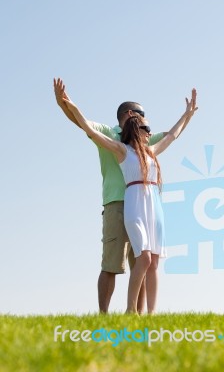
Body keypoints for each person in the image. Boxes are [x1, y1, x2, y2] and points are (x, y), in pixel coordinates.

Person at [61, 89, 197, 313]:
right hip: (130, 203)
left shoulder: (151, 150)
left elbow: (172, 135)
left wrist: (188, 115)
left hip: (153, 204)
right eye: (146, 127)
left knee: (151, 262)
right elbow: (88, 128)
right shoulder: (121, 150)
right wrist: (69, 104)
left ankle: (146, 315)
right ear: (135, 123)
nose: (150, 132)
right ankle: (128, 310)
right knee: (137, 260)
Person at [54, 78, 165, 313]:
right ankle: (103, 315)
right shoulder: (108, 132)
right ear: (129, 113)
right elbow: (81, 123)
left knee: (142, 264)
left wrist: (188, 115)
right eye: (142, 115)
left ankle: (137, 315)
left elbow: (169, 135)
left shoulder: (144, 139)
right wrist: (64, 103)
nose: (147, 123)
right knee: (111, 264)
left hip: (143, 206)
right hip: (116, 204)